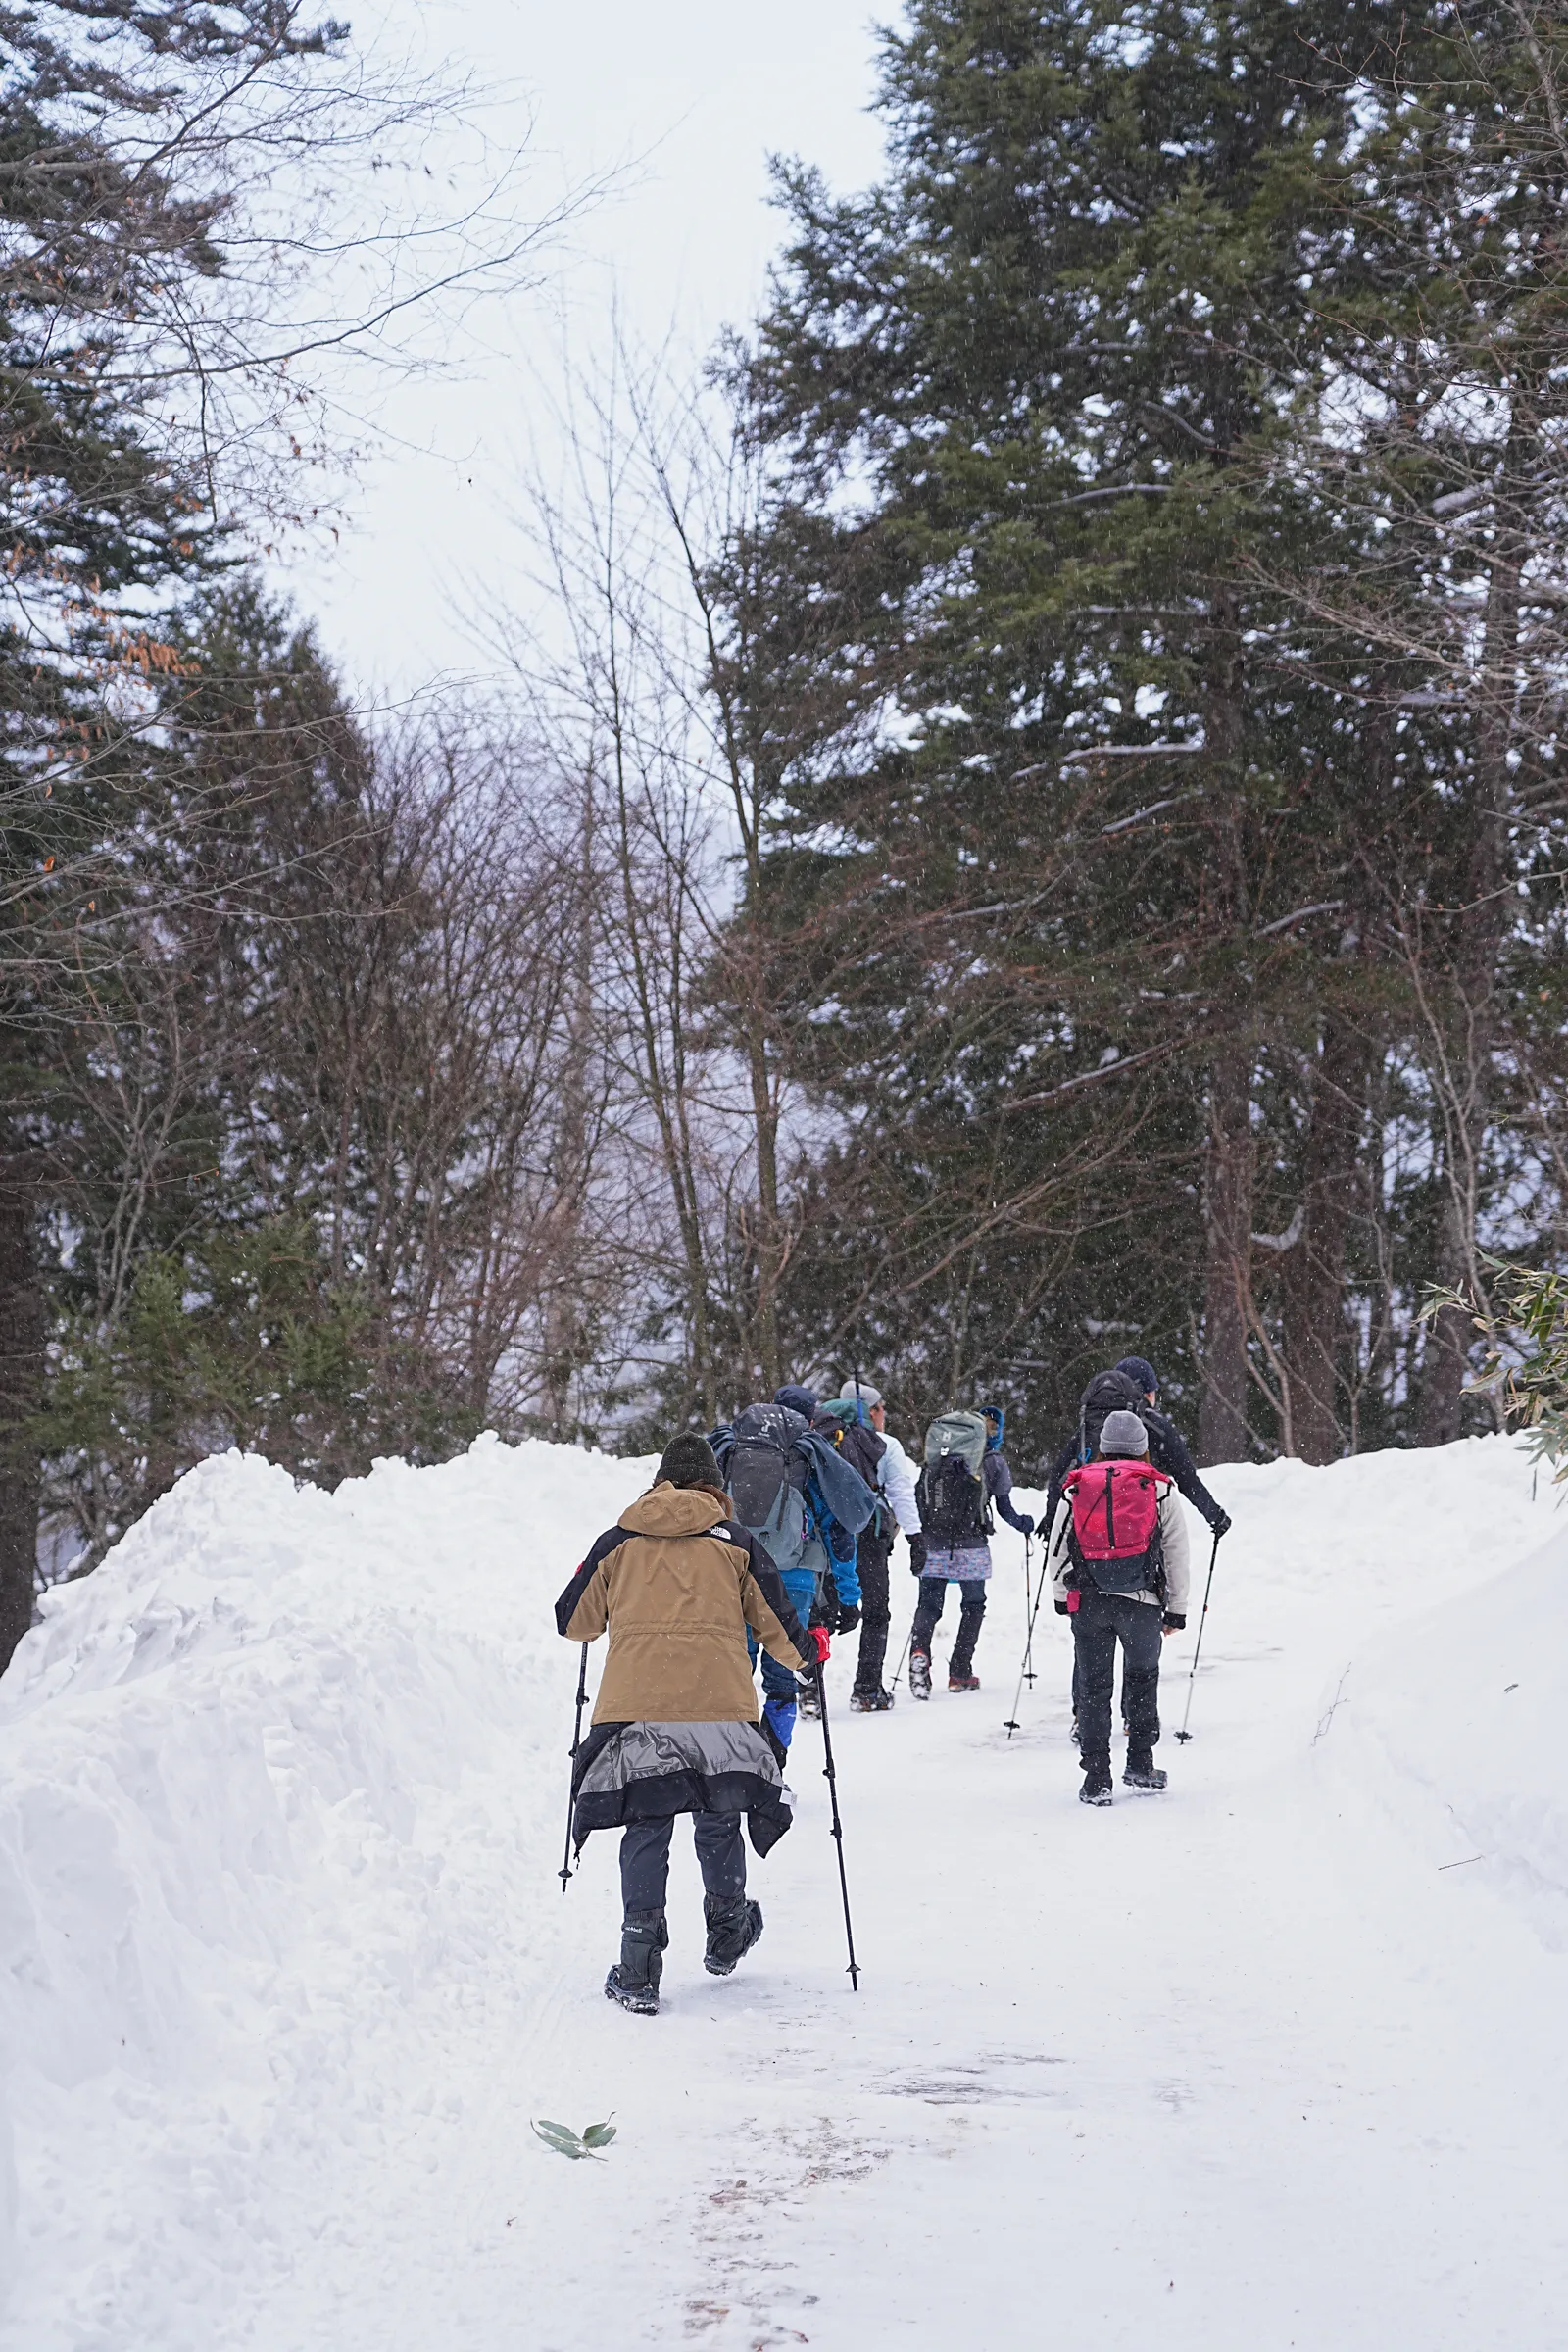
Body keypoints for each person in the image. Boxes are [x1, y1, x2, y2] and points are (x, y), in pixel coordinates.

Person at [554, 1431, 827, 2016]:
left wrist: (591, 1575)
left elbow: (573, 1623)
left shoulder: (618, 1541)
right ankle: (727, 1931)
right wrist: (811, 1652)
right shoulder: (738, 1543)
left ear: (659, 1482)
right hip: (718, 1708)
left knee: (647, 1824)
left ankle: (638, 1968)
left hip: (638, 1713)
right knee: (718, 1814)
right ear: (716, 1486)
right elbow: (780, 1629)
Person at [710, 1384, 874, 1753]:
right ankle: (772, 1768)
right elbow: (838, 1532)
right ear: (810, 1417)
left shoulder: (732, 1451)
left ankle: (730, 1767)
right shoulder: (808, 1456)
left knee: (733, 1675)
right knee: (782, 1677)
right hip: (793, 1580)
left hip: (732, 1575)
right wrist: (849, 1597)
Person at [1049, 1407, 1190, 1804]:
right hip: (1142, 1602)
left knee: (1094, 1688)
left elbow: (1059, 1545)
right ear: (1143, 1448)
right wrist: (1176, 1607)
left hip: (1090, 1600)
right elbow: (1177, 1551)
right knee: (1142, 1681)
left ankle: (1096, 1778)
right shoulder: (1159, 1487)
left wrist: (1062, 1595)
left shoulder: (1076, 1486)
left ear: (1102, 1447)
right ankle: (1141, 1764)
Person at [909, 1404, 1035, 1697]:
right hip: (972, 1544)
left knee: (929, 1604)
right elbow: (1005, 1509)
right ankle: (960, 1671)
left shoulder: (935, 1460)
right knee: (973, 1605)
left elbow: (919, 1499)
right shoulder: (992, 1462)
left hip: (933, 1542)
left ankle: (919, 1652)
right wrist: (1024, 1523)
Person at [1044, 1357, 1231, 1541]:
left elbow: (1059, 1474)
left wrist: (1051, 1519)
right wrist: (1215, 1516)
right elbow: (1187, 1480)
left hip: (1090, 1529)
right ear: (1148, 1393)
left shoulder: (1090, 1424)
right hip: (1139, 1531)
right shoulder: (1155, 1426)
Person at [824, 1383, 925, 1713]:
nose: (885, 1414)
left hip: (828, 1537)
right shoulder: (887, 1446)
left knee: (821, 1613)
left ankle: (811, 1691)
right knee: (877, 1612)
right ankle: (867, 1690)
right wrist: (915, 1536)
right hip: (870, 1535)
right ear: (869, 1410)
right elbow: (900, 1492)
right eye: (881, 1407)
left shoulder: (823, 1439)